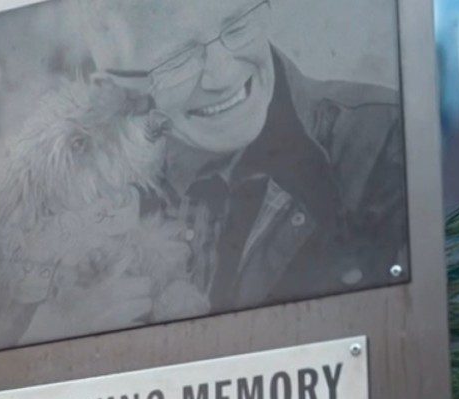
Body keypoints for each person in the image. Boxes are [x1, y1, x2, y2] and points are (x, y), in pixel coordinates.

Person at [73, 0, 410, 315]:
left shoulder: (385, 140)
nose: (223, 75)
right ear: (111, 91)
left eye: (237, 25)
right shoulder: (80, 198)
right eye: (175, 60)